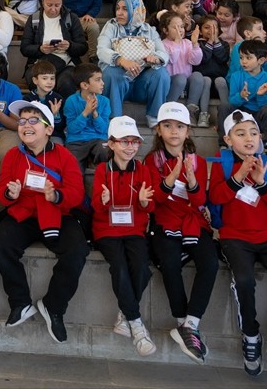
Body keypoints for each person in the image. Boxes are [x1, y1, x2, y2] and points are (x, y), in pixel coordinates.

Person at [209, 110, 267, 384]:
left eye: (253, 133)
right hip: (234, 235)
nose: (249, 138)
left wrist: (261, 183)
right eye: (240, 133)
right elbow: (215, 199)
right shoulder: (221, 163)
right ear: (227, 139)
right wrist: (238, 177)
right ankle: (251, 334)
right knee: (244, 280)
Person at [0, 100, 88, 344]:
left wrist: (56, 196)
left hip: (57, 213)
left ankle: (53, 306)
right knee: (1, 243)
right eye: (22, 121)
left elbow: (76, 193)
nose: (26, 125)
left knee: (77, 250)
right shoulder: (13, 155)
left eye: (33, 120)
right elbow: (2, 188)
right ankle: (21, 303)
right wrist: (9, 193)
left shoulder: (64, 156)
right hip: (24, 213)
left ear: (48, 129)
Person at [143, 102, 216, 363]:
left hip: (193, 220)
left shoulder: (199, 161)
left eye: (180, 127)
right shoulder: (151, 160)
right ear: (159, 131)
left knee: (210, 262)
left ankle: (191, 322)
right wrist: (169, 180)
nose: (174, 131)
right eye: (168, 126)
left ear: (188, 132)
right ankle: (182, 321)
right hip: (165, 221)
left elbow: (199, 202)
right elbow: (153, 202)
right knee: (169, 263)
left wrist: (193, 182)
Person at [92, 115, 158, 356]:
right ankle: (137, 325)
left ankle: (125, 314)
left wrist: (143, 202)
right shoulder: (101, 170)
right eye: (124, 141)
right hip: (106, 229)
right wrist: (103, 200)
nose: (130, 147)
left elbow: (150, 208)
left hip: (134, 229)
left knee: (141, 267)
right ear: (111, 144)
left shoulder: (143, 170)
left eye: (135, 142)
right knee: (119, 267)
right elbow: (96, 208)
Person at [98, 0, 170, 125]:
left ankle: (154, 118)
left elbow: (163, 53)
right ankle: (115, 119)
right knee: (110, 72)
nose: (119, 12)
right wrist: (121, 60)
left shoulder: (149, 30)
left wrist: (156, 58)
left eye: (125, 9)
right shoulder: (111, 26)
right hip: (120, 83)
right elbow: (101, 50)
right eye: (118, 8)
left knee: (161, 74)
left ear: (136, 11)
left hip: (141, 85)